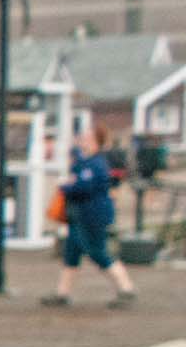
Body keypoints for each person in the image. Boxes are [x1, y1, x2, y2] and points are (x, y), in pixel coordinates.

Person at [42, 124, 137, 309]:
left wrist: (65, 186)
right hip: (79, 216)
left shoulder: (95, 164)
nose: (82, 140)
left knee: (98, 252)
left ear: (94, 141)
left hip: (92, 216)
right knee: (71, 254)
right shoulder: (85, 161)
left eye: (86, 138)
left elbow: (84, 187)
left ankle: (126, 288)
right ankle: (62, 293)